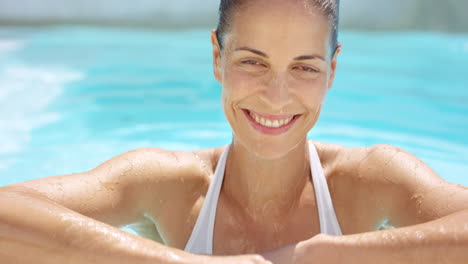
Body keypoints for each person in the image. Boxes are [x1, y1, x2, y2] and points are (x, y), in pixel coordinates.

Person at [1, 0, 467, 263]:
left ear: (333, 70)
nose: (276, 97)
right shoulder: (170, 187)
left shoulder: (369, 182)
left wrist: (322, 256)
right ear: (217, 58)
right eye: (252, 62)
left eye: (304, 67)